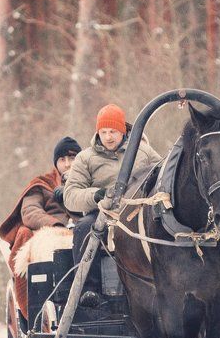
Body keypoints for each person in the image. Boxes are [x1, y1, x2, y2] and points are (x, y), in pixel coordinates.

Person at [63, 104, 162, 305]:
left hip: (138, 212)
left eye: (113, 132)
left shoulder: (143, 151)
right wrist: (96, 195)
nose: (108, 137)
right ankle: (88, 289)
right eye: (104, 132)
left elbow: (164, 176)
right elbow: (71, 195)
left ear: (123, 131)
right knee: (83, 228)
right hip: (103, 213)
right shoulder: (86, 158)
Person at [0, 136, 82, 319]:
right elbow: (30, 211)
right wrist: (56, 225)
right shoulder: (42, 184)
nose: (67, 164)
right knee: (29, 235)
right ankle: (36, 306)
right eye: (62, 159)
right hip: (49, 235)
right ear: (56, 163)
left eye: (72, 158)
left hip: (81, 231)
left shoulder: (87, 182)